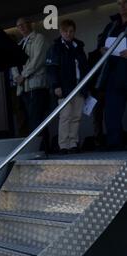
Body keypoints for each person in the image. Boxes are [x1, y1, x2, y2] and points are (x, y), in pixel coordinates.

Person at [46, 19, 89, 154]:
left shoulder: (79, 46)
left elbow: (85, 67)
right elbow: (52, 69)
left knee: (76, 116)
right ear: (61, 31)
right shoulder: (55, 47)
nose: (68, 34)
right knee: (65, 116)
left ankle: (73, 143)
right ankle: (63, 145)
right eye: (65, 31)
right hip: (64, 87)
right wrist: (56, 85)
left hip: (79, 85)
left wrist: (86, 86)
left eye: (71, 31)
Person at [11, 17, 50, 150]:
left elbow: (38, 60)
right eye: (18, 26)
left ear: (30, 24)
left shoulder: (39, 38)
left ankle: (42, 148)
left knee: (37, 118)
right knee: (28, 118)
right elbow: (13, 63)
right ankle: (36, 147)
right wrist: (17, 76)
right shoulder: (20, 43)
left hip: (36, 85)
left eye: (23, 24)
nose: (21, 27)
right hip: (23, 88)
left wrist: (23, 75)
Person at [96, 0, 127, 150]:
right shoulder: (112, 25)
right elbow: (100, 45)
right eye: (120, 3)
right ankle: (115, 143)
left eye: (125, 3)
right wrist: (102, 50)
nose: (122, 6)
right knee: (112, 110)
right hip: (114, 73)